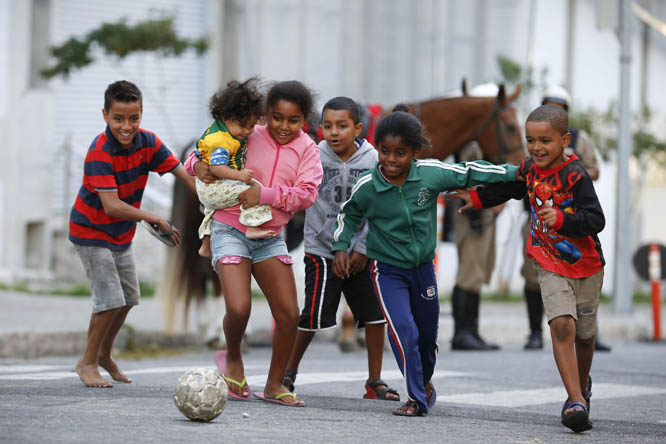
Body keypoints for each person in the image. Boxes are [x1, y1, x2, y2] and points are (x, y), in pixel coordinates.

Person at [331, 105, 520, 416]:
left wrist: (518, 171)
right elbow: (348, 214)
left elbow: (471, 171)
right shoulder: (369, 185)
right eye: (385, 151)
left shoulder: (431, 174)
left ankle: (424, 379)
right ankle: (416, 398)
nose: (391, 160)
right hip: (386, 271)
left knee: (428, 337)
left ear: (414, 152)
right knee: (404, 329)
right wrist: (341, 246)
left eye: (400, 153)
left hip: (422, 270)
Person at [451, 104, 604, 433]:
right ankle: (574, 399)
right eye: (531, 140)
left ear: (564, 141)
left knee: (585, 336)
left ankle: (583, 383)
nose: (536, 148)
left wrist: (563, 219)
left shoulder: (576, 175)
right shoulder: (531, 169)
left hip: (586, 265)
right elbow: (510, 188)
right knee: (562, 326)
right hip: (548, 261)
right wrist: (477, 199)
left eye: (545, 141)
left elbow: (596, 220)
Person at [187, 80, 322, 407]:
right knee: (238, 307)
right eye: (277, 118)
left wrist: (265, 194)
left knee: (290, 314)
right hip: (229, 230)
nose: (284, 127)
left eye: (294, 120)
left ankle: (276, 384)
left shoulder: (308, 150)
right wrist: (200, 167)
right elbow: (197, 155)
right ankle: (233, 357)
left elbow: (307, 195)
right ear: (265, 115)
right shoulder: (249, 132)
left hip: (269, 237)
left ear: (304, 119)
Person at [69, 80, 196, 388]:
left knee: (127, 299)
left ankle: (104, 355)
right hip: (91, 231)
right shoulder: (100, 152)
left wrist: (211, 202)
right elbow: (111, 205)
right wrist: (152, 217)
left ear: (141, 114)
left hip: (120, 235)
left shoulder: (148, 143)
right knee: (109, 300)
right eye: (118, 118)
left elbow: (183, 175)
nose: (126, 126)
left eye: (133, 118)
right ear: (105, 115)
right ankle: (86, 362)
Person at [282, 97, 399, 402]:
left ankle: (374, 381)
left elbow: (380, 207)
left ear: (358, 128)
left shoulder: (373, 160)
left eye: (342, 126)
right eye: (328, 126)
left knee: (375, 317)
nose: (334, 133)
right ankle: (287, 374)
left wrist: (361, 247)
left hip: (364, 251)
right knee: (312, 315)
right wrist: (336, 249)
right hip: (322, 251)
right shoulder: (313, 155)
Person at [521, 85, 609, 351]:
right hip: (539, 217)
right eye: (550, 105)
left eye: (560, 107)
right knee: (533, 275)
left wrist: (570, 171)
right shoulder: (534, 143)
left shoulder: (580, 141)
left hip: (570, 214)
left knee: (582, 280)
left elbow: (594, 169)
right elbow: (515, 174)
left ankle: (588, 334)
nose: (538, 146)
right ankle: (535, 331)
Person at [195, 78, 274, 259]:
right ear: (226, 117)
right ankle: (253, 226)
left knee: (210, 209)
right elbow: (216, 168)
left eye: (252, 126)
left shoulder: (218, 130)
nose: (248, 131)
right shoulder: (221, 141)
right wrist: (240, 176)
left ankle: (206, 245)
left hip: (207, 190)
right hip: (215, 185)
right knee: (255, 190)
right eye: (243, 126)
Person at [450, 140, 501, 351]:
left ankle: (471, 331)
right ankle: (462, 333)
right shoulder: (470, 143)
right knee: (469, 273)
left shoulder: (481, 142)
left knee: (478, 271)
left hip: (481, 212)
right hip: (472, 214)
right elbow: (470, 179)